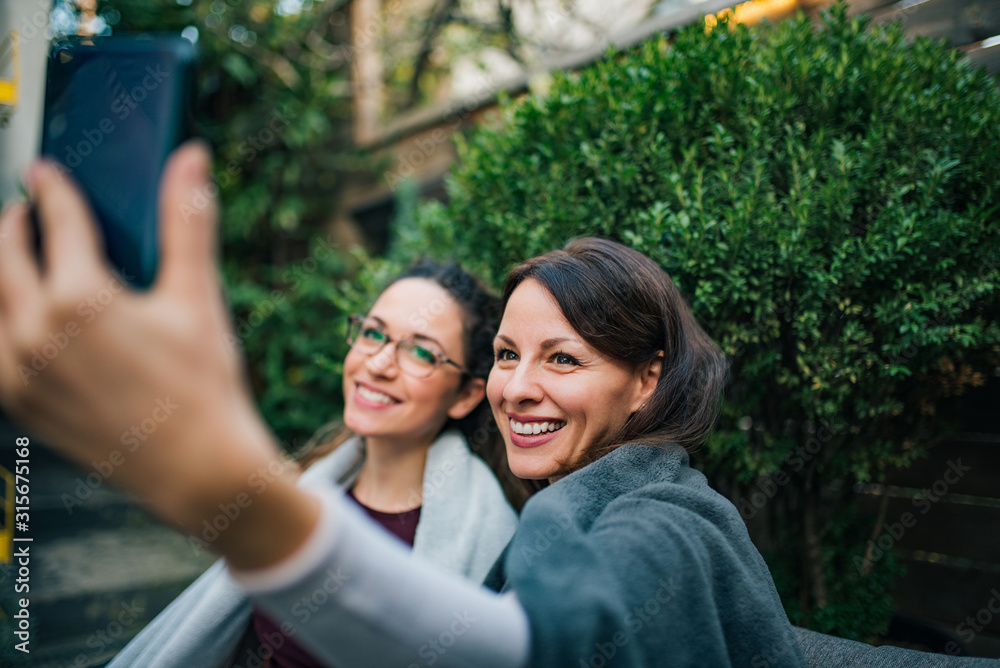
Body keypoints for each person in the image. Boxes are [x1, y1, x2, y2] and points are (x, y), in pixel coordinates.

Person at [14, 145, 990, 668]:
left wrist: (218, 486)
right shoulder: (585, 499)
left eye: (561, 357)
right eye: (514, 353)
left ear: (646, 379)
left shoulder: (638, 524)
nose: (523, 384)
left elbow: (525, 651)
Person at [104, 257, 526, 667]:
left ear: (466, 395)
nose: (377, 364)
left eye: (420, 352)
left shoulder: (487, 538)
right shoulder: (305, 487)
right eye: (373, 334)